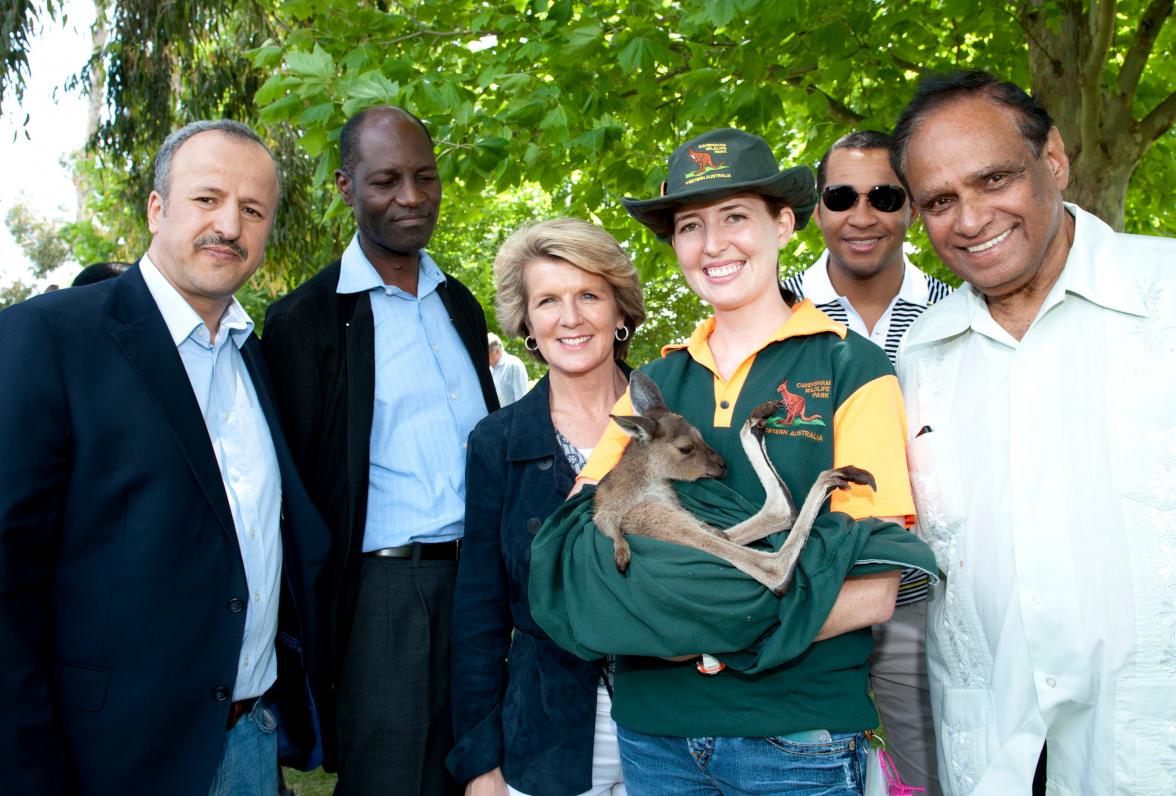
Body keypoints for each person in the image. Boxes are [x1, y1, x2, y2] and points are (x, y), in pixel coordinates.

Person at [534, 128, 933, 795]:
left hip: (796, 739)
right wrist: (756, 597)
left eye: (735, 217)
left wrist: (723, 638)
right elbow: (583, 554)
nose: (712, 245)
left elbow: (875, 583)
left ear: (784, 223)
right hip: (653, 733)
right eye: (691, 225)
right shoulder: (655, 384)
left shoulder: (849, 367)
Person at [0, 120, 329, 795]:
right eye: (207, 199)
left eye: (252, 210)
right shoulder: (51, 337)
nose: (229, 226)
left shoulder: (252, 356)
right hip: (113, 758)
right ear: (157, 208)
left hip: (250, 741)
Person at [891, 70, 1176, 796]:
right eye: (940, 202)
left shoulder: (1165, 296)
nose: (971, 218)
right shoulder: (923, 350)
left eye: (994, 180)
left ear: (1053, 159)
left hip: (1146, 743)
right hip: (995, 750)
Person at [262, 105, 498, 794]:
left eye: (425, 177)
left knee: (482, 772)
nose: (411, 197)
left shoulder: (458, 303)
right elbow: (296, 489)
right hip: (383, 599)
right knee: (391, 779)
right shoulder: (306, 323)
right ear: (344, 186)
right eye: (386, 180)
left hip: (479, 588)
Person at [450, 218, 646, 796]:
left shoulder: (674, 419)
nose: (570, 317)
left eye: (589, 295)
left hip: (672, 725)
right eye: (548, 301)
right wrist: (481, 763)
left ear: (619, 311)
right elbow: (479, 612)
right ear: (527, 323)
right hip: (546, 731)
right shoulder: (498, 441)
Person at [782, 129, 951, 795]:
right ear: (816, 209)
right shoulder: (776, 311)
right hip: (810, 588)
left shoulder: (955, 312)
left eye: (884, 195)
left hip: (928, 589)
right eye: (841, 196)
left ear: (911, 206)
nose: (862, 214)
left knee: (930, 769)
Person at [487, 331, 530, 405]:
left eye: (487, 354)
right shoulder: (490, 369)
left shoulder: (513, 365)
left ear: (497, 351)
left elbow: (522, 400)